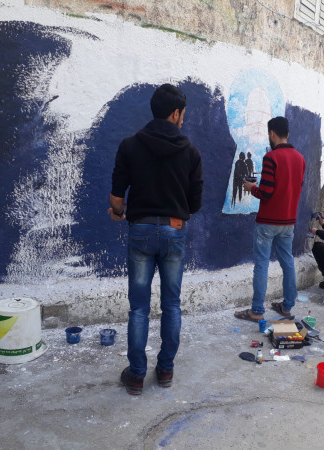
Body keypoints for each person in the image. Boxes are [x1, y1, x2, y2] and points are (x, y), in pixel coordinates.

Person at [108, 83, 203, 395]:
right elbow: (195, 203)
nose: (184, 119)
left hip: (141, 231)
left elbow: (117, 197)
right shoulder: (191, 152)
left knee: (138, 308)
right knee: (172, 305)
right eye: (183, 114)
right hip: (174, 231)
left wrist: (118, 212)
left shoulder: (130, 146)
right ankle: (165, 370)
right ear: (175, 113)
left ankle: (136, 375)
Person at [234, 116, 306, 322]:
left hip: (268, 221)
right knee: (287, 262)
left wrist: (251, 188)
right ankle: (287, 307)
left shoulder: (271, 158)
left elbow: (265, 192)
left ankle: (257, 310)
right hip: (288, 221)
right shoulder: (300, 159)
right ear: (288, 134)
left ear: (272, 134)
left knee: (262, 264)